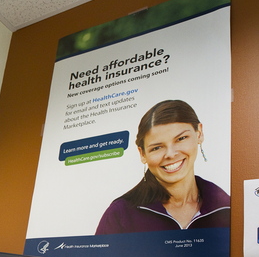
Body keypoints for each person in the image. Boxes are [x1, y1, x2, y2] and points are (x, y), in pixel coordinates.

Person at [96, 100, 230, 235]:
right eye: (157, 148)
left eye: (181, 138)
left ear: (199, 133)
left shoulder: (227, 206)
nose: (171, 154)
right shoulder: (120, 214)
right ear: (142, 154)